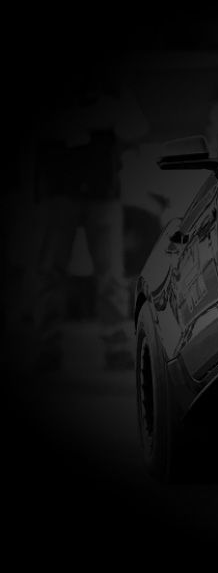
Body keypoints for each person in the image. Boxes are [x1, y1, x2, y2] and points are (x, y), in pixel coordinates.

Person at [32, 56, 151, 371]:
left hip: (103, 189)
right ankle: (47, 345)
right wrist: (96, 119)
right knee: (50, 269)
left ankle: (116, 347)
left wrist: (93, 119)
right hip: (58, 187)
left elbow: (136, 125)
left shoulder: (111, 79)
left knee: (111, 274)